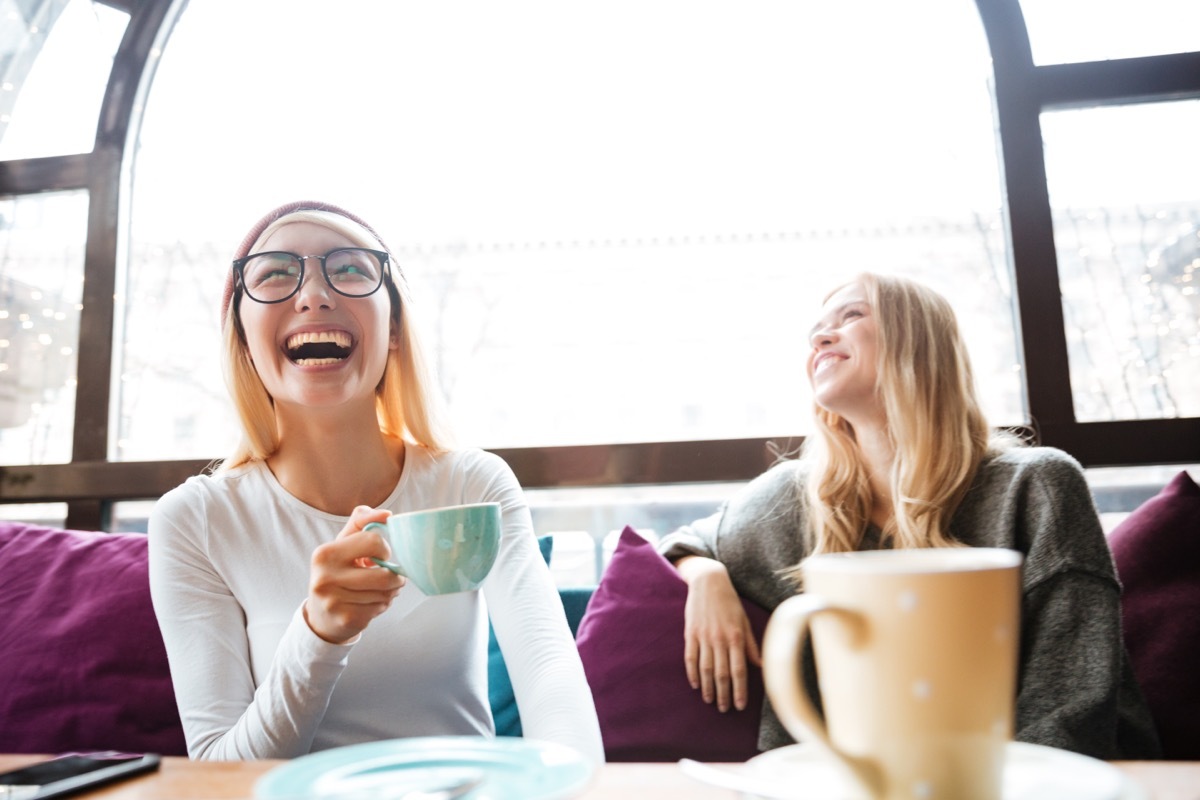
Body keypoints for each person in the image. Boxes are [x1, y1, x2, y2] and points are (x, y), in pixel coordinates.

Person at [148, 200, 603, 762]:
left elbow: (550, 672)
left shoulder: (472, 483)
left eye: (350, 269)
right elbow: (218, 774)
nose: (314, 293)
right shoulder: (195, 521)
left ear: (392, 331)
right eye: (275, 273)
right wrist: (319, 633)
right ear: (242, 341)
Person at [657, 272, 1161, 760]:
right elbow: (683, 541)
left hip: (1045, 780)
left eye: (851, 314)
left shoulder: (1034, 485)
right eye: (815, 332)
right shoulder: (794, 499)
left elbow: (1071, 700)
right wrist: (705, 575)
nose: (820, 337)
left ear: (918, 341)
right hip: (843, 783)